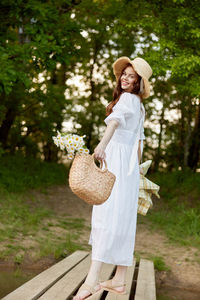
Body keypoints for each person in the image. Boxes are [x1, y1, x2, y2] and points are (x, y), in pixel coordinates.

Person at [73, 56, 152, 300]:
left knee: (106, 216)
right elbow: (139, 141)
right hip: (128, 167)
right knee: (124, 219)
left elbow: (114, 123)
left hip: (117, 160)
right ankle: (119, 279)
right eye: (124, 75)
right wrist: (137, 170)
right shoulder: (140, 105)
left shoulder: (128, 99)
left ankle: (91, 281)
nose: (126, 79)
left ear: (139, 82)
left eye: (132, 76)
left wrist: (101, 145)